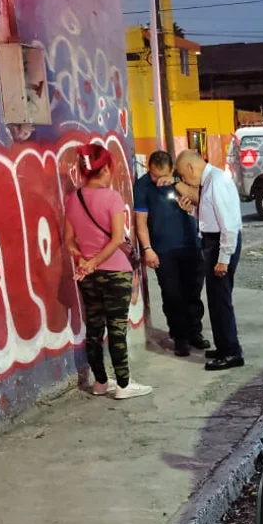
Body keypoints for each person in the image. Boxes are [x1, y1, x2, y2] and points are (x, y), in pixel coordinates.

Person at [64, 144, 153, 399]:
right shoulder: (112, 198)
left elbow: (69, 241)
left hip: (88, 276)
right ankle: (123, 384)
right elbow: (116, 239)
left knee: (94, 328)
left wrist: (85, 260)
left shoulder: (74, 198)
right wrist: (95, 262)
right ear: (104, 168)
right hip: (115, 272)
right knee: (116, 330)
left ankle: (100, 382)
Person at [133, 151, 210, 358]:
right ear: (150, 170)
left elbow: (200, 199)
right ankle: (180, 338)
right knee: (172, 295)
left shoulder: (181, 178)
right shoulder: (143, 186)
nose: (160, 181)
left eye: (164, 176)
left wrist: (179, 187)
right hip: (163, 249)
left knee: (193, 292)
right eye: (156, 177)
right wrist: (147, 249)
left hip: (190, 244)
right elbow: (140, 222)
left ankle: (195, 332)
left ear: (171, 169)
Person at [175, 149, 245, 371]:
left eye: (182, 175)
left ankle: (231, 352)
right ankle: (224, 346)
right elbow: (211, 214)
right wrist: (192, 211)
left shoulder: (215, 181)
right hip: (213, 242)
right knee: (215, 299)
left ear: (190, 167)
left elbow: (229, 225)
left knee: (220, 301)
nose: (184, 181)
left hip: (220, 244)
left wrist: (223, 258)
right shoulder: (209, 180)